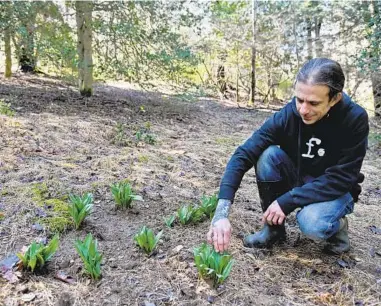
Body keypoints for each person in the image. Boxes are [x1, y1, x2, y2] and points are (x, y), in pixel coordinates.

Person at [207, 58, 369, 255]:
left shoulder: (354, 119)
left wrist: (287, 201)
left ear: (335, 99)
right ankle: (273, 230)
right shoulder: (290, 113)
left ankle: (338, 228)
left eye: (313, 103)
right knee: (268, 156)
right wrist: (221, 213)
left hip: (336, 190)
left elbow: (342, 178)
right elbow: (244, 153)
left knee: (311, 223)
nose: (303, 110)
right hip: (301, 176)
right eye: (299, 99)